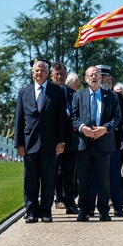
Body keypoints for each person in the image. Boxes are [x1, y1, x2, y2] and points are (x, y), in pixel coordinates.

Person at [14, 59, 70, 223]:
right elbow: (19, 120)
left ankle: (46, 211)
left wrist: (61, 141)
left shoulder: (56, 92)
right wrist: (19, 143)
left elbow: (61, 118)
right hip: (29, 143)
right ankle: (31, 211)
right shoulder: (23, 92)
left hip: (50, 143)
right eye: (36, 71)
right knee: (30, 180)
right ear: (32, 73)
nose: (39, 73)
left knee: (48, 179)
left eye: (42, 71)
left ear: (48, 73)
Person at [72, 65, 122, 222]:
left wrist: (105, 129)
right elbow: (73, 117)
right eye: (90, 75)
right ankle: (84, 210)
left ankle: (103, 211)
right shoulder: (78, 96)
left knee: (103, 179)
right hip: (84, 143)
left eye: (96, 75)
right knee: (84, 179)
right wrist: (82, 128)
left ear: (101, 78)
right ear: (85, 79)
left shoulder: (111, 96)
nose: (94, 77)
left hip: (103, 141)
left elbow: (117, 117)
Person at [98, 64, 123, 216]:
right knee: (95, 176)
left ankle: (118, 206)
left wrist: (121, 139)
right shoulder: (89, 95)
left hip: (112, 141)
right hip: (94, 141)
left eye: (105, 76)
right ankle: (92, 206)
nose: (102, 79)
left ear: (109, 78)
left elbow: (120, 120)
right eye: (100, 75)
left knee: (114, 175)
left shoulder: (116, 97)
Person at [51, 62, 78, 213]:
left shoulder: (74, 95)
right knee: (52, 173)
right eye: (57, 74)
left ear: (66, 76)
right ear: (52, 76)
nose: (60, 77)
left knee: (69, 174)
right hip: (52, 141)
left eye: (62, 74)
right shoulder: (47, 93)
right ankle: (53, 200)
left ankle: (70, 203)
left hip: (70, 140)